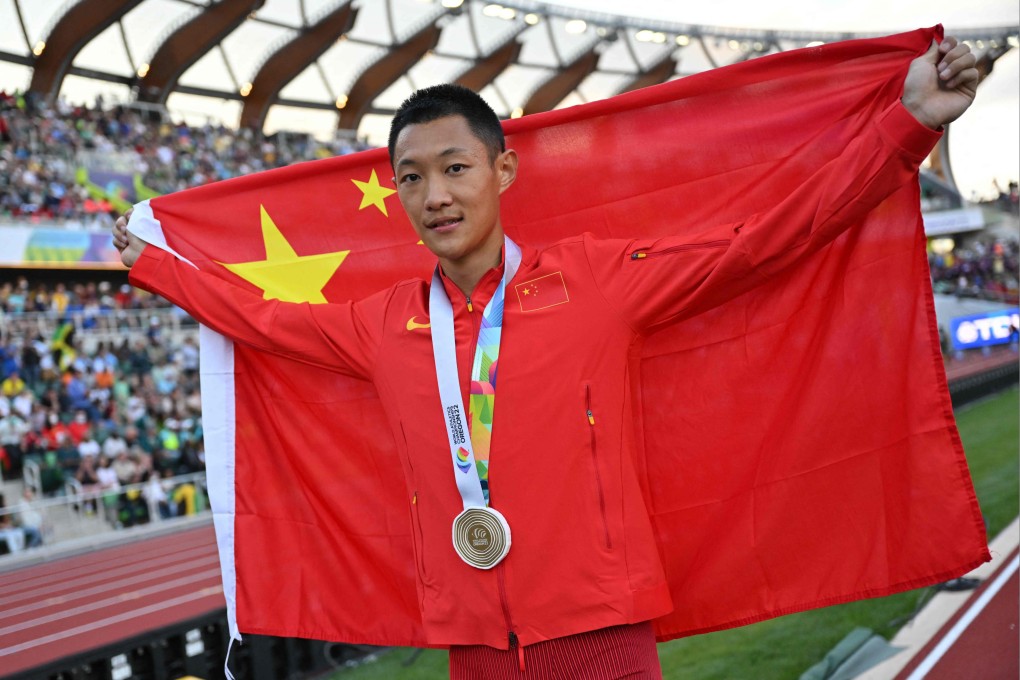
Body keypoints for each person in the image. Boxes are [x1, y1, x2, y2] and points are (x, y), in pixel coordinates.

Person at [115, 38, 978, 679]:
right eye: (411, 178)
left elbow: (763, 242)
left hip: (600, 633)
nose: (435, 195)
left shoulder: (597, 282)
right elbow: (260, 319)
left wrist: (906, 126)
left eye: (455, 168)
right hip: (474, 643)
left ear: (504, 169)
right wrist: (156, 264)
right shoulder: (380, 324)